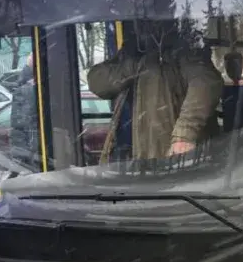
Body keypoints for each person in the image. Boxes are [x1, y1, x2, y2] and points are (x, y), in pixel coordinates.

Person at [87, 20, 223, 161]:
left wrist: (184, 135)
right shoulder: (133, 52)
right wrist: (138, 65)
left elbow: (206, 82)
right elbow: (97, 82)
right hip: (141, 156)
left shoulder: (184, 48)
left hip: (176, 159)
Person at [9, 53, 41, 170]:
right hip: (34, 152)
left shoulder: (25, 89)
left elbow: (19, 124)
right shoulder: (27, 90)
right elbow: (20, 124)